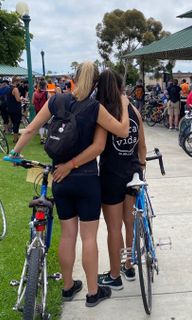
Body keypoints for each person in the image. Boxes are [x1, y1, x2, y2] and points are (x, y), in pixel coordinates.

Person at [9, 61, 130, 307]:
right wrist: (125, 105)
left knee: (67, 235)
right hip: (86, 180)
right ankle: (93, 293)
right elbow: (119, 132)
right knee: (88, 238)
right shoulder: (95, 108)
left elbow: (32, 128)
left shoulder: (56, 101)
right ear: (96, 83)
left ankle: (67, 287)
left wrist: (16, 152)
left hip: (59, 179)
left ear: (74, 78)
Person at [96, 69, 147, 290]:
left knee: (114, 228)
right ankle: (129, 265)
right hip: (133, 173)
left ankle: (115, 275)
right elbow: (142, 146)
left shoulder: (103, 113)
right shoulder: (134, 110)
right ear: (119, 87)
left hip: (111, 175)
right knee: (129, 224)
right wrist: (141, 168)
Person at [32, 79, 49, 144]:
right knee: (47, 125)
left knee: (41, 125)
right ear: (45, 86)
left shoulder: (35, 93)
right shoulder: (47, 93)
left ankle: (41, 138)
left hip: (38, 111)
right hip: (46, 111)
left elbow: (32, 102)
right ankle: (47, 138)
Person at [7, 76, 22, 143]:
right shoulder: (15, 89)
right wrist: (22, 98)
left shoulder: (9, 88)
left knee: (13, 123)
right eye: (19, 81)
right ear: (16, 81)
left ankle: (15, 138)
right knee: (16, 123)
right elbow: (18, 99)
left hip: (10, 108)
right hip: (16, 108)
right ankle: (16, 139)